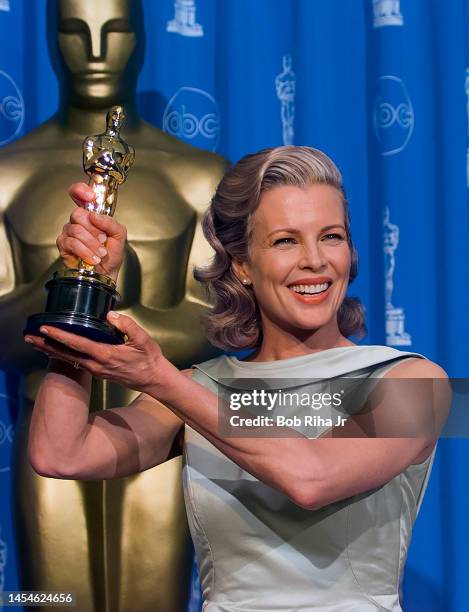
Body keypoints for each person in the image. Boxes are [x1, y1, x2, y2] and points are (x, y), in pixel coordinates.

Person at [25, 146, 449, 611]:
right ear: (242, 264)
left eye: (331, 236)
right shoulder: (196, 387)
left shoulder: (419, 381)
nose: (315, 261)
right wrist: (84, 297)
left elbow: (312, 478)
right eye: (286, 240)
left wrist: (163, 380)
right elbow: (60, 453)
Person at [0, 0, 225, 609]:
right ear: (49, 40)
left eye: (115, 31)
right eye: (74, 32)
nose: (95, 51)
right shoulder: (7, 174)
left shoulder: (200, 176)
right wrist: (67, 280)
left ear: (143, 38)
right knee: (54, 603)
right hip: (45, 429)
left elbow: (223, 324)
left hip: (160, 427)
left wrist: (107, 308)